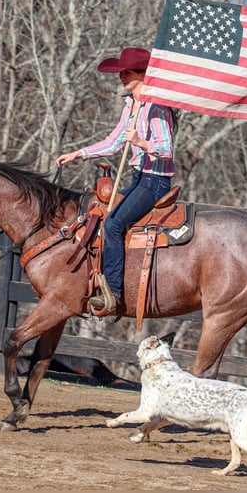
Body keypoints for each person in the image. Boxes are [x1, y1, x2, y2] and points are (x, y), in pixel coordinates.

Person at [56, 47, 176, 315]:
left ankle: (113, 292)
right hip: (139, 177)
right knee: (97, 216)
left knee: (112, 224)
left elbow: (165, 149)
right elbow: (114, 142)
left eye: (127, 72)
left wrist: (141, 143)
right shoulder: (132, 105)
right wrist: (79, 153)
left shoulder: (156, 107)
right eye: (121, 72)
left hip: (155, 180)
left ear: (143, 74)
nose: (122, 76)